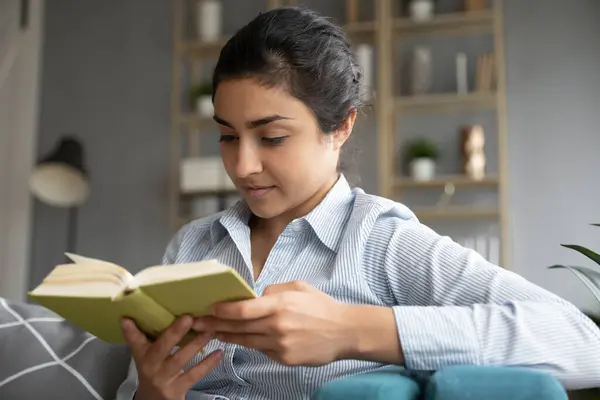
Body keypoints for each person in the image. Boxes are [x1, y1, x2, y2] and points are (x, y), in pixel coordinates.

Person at [116, 6, 600, 400]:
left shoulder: (382, 241)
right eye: (226, 136)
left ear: (341, 127)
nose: (242, 166)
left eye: (273, 137)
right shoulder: (194, 245)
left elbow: (581, 343)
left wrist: (353, 330)